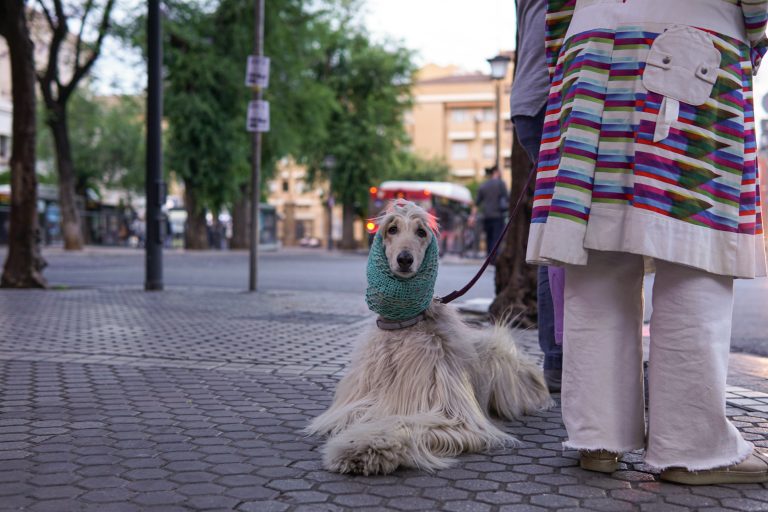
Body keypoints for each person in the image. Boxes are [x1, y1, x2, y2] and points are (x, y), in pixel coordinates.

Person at [527, 0, 768, 483]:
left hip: (590, 52)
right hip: (696, 42)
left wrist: (573, 49)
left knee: (596, 251)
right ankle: (691, 447)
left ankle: (598, 434)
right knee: (692, 251)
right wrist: (752, 43)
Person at [509, 0, 564, 393]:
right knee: (566, 230)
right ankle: (563, 358)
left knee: (555, 228)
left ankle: (559, 358)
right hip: (555, 93)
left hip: (530, 98)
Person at [475, 166, 509, 257]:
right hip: (498, 215)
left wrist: (472, 216)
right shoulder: (501, 184)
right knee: (496, 238)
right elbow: (506, 198)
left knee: (488, 237)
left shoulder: (483, 185)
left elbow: (477, 202)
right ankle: (495, 257)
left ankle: (489, 256)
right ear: (496, 172)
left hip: (486, 216)